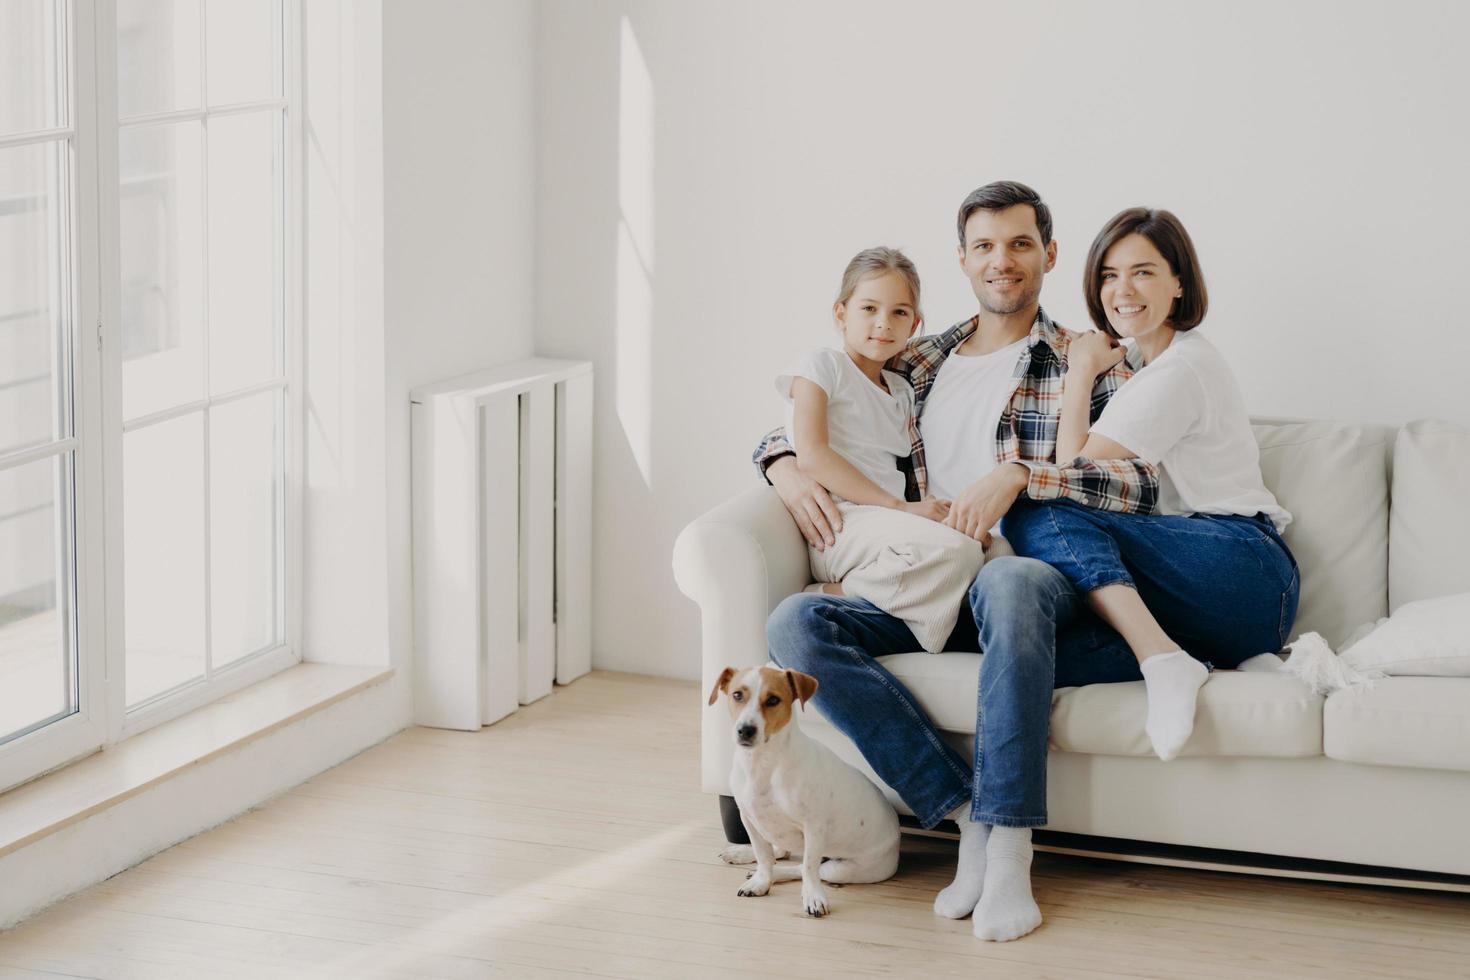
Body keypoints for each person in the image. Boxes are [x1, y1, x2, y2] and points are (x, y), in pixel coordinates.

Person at [755, 181, 1159, 943]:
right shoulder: (919, 357)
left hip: (1024, 582)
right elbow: (819, 413)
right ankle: (966, 813)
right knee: (796, 624)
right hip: (916, 578)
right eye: (984, 246)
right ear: (962, 259)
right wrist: (778, 463)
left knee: (1007, 580)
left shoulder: (1090, 363)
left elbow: (1135, 486)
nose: (1001, 261)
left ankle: (1009, 848)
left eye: (1019, 244)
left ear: (1048, 253)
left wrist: (1020, 477)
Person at [1001, 208, 1299, 761]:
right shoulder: (1144, 365)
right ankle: (1207, 654)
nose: (1122, 290)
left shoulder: (1178, 370)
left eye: (1143, 272)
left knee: (1030, 508)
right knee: (1026, 649)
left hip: (1242, 563)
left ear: (1179, 283)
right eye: (1110, 275)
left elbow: (1069, 478)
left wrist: (1080, 372)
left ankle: (1163, 660)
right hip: (1218, 599)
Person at [778, 246, 987, 653]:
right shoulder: (822, 365)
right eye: (869, 308)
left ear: (915, 323)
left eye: (899, 313)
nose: (883, 324)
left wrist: (926, 510)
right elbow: (813, 455)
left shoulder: (901, 391)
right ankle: (836, 590)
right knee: (957, 553)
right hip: (841, 522)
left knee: (990, 550)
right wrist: (902, 509)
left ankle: (901, 614)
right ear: (841, 313)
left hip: (890, 529)